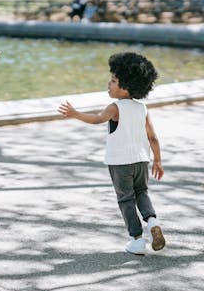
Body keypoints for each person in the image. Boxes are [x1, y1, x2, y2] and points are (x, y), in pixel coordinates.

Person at [58, 52, 165, 255]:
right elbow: (153, 138)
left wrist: (75, 114)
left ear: (126, 86)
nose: (109, 83)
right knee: (141, 193)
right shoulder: (142, 108)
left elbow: (98, 119)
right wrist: (157, 160)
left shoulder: (115, 107)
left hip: (120, 163)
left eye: (114, 80)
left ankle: (137, 240)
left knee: (126, 199)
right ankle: (152, 221)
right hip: (141, 160)